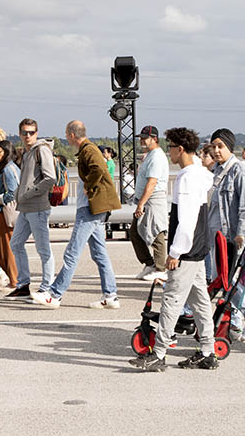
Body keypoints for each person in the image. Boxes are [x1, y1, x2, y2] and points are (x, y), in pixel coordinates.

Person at [128, 127, 218, 371]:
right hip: (199, 248)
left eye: (171, 148)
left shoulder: (187, 177)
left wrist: (175, 252)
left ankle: (159, 354)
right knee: (200, 303)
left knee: (171, 300)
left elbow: (186, 219)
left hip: (186, 251)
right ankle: (208, 352)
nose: (169, 153)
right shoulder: (200, 172)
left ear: (180, 149)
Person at [34, 121, 120, 309]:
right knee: (99, 253)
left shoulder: (88, 150)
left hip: (89, 208)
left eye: (66, 134)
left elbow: (99, 169)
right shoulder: (89, 149)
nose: (65, 137)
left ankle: (55, 294)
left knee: (72, 252)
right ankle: (111, 295)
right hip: (95, 209)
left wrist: (90, 187)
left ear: (72, 135)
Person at [207, 128, 245, 339]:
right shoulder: (216, 171)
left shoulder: (239, 171)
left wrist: (241, 233)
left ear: (230, 147)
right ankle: (235, 323)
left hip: (231, 237)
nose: (217, 150)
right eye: (214, 146)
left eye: (220, 146)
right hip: (216, 236)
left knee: (229, 281)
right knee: (222, 280)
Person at [9, 118, 56, 298]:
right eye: (24, 133)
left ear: (36, 133)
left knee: (43, 249)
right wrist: (18, 194)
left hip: (37, 207)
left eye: (31, 132)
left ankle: (47, 287)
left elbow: (49, 178)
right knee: (16, 243)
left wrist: (29, 193)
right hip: (25, 208)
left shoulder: (41, 150)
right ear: (20, 134)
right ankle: (23, 284)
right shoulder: (28, 152)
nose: (27, 136)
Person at [130, 126, 171, 279]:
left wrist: (141, 203)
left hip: (153, 199)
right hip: (146, 199)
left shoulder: (156, 157)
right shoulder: (149, 155)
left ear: (154, 139)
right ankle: (149, 263)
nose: (142, 141)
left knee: (156, 232)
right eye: (140, 138)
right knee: (135, 232)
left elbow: (152, 182)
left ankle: (160, 269)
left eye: (145, 138)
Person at [0, 139, 20, 292]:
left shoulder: (8, 169)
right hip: (5, 212)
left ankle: (15, 280)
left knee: (6, 247)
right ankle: (13, 277)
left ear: (7, 152)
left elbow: (13, 193)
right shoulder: (10, 168)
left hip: (8, 212)